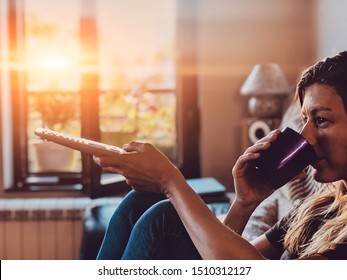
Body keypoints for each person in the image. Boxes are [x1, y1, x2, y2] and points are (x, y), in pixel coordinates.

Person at [93, 50, 347, 260]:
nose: (306, 137)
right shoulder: (320, 206)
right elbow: (231, 260)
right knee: (141, 201)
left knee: (164, 219)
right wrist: (244, 203)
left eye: (322, 120)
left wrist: (171, 181)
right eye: (304, 121)